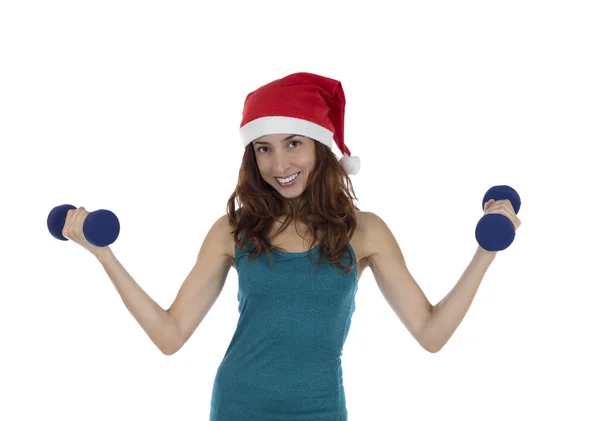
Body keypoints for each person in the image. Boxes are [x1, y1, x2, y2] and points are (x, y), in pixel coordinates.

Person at [61, 72, 521, 420]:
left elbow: (431, 335)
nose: (278, 163)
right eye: (263, 148)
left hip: (319, 409)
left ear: (322, 147)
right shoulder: (233, 231)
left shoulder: (365, 233)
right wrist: (104, 255)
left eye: (293, 143)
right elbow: (170, 335)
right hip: (238, 405)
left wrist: (487, 250)